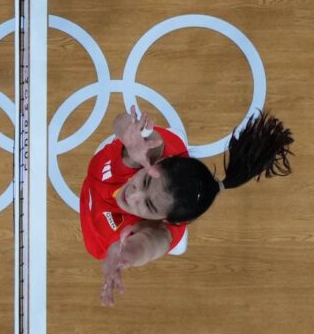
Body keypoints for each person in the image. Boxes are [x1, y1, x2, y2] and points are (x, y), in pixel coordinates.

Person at [80, 107, 293, 307]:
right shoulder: (148, 153)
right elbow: (121, 122)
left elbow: (148, 245)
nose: (133, 195)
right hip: (103, 179)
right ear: (160, 161)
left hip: (96, 223)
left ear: (166, 220)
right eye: (145, 182)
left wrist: (124, 256)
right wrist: (128, 131)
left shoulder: (162, 232)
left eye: (149, 205)